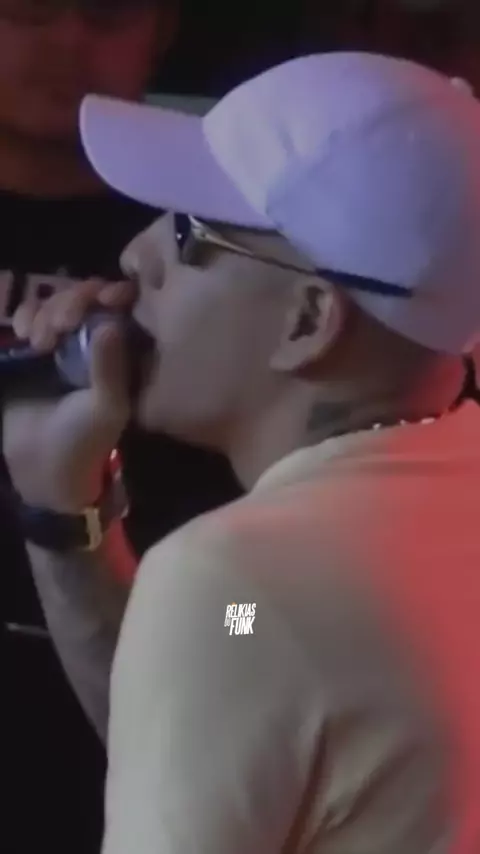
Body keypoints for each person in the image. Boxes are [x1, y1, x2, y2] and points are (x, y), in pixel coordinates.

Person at [5, 51, 480, 852]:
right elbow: (230, 674)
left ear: (308, 320)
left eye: (188, 231)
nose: (136, 254)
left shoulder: (229, 577)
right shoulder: (259, 605)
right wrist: (66, 512)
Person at [0, 1, 241, 852]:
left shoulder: (223, 248)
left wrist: (249, 629)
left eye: (107, 14)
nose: (69, 42)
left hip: (143, 724)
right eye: (30, 11)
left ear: (163, 28)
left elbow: (265, 606)